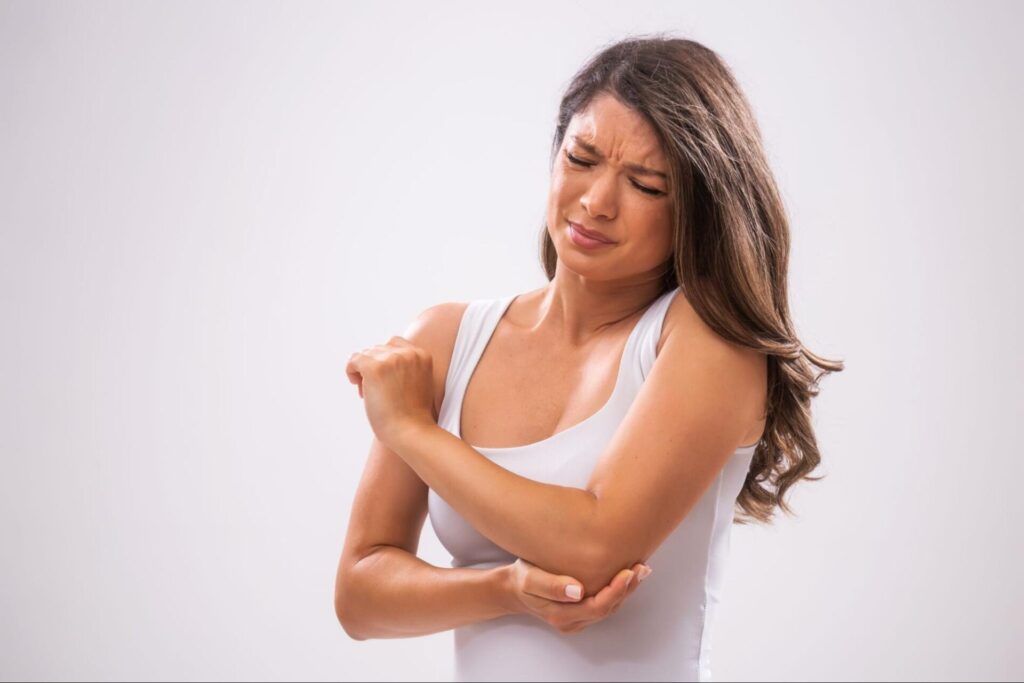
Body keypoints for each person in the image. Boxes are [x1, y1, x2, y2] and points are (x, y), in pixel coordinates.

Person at [336, 33, 843, 682]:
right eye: (582, 157)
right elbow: (359, 596)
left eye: (646, 185)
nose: (598, 202)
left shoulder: (707, 340)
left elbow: (593, 547)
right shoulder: (445, 338)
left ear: (698, 208)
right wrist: (505, 588)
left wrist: (411, 430)